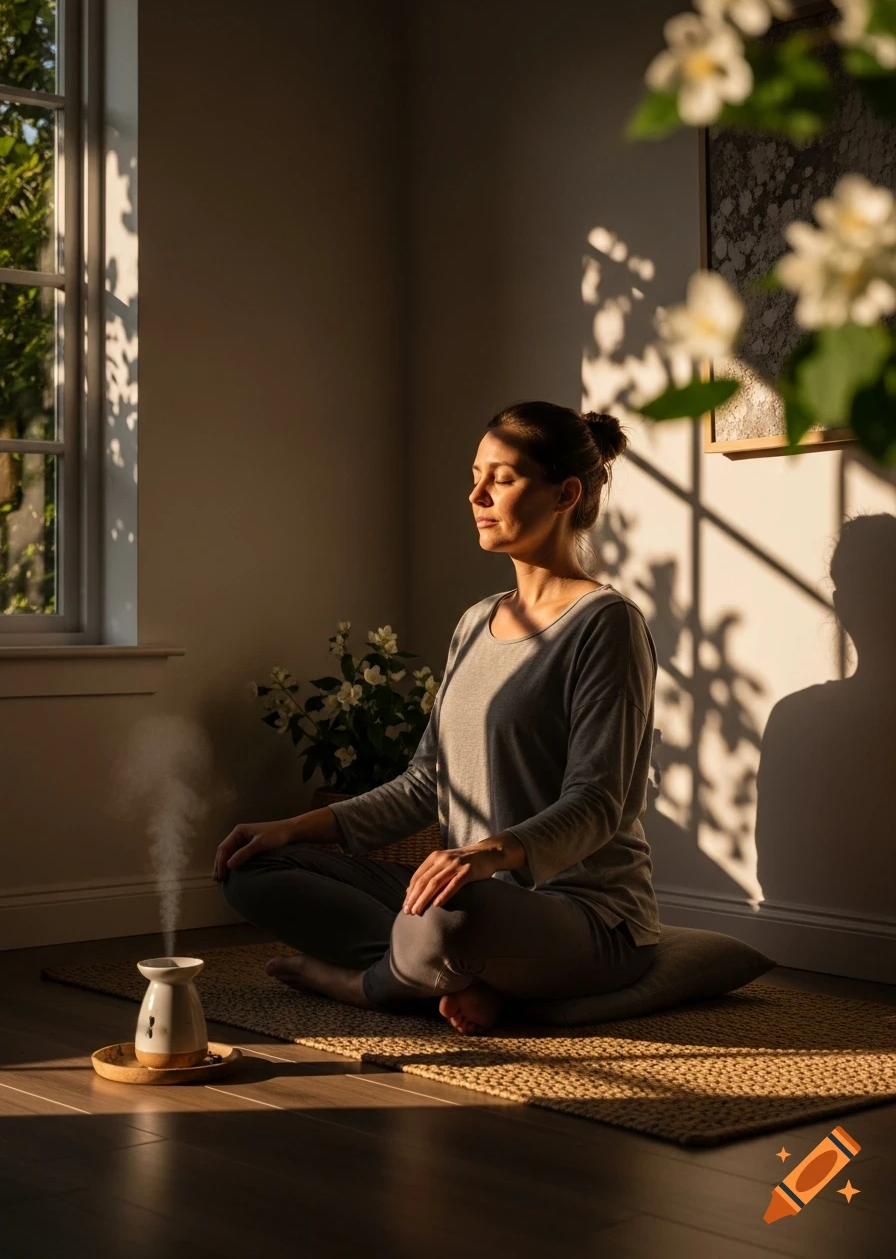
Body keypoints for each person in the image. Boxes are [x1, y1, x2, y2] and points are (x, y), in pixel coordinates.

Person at [215, 401, 662, 1036]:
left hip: (585, 914)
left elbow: (598, 802)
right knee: (251, 868)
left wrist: (483, 856)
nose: (476, 494)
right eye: (475, 475)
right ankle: (456, 978)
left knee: (450, 915)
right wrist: (292, 827)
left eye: (501, 479)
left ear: (566, 493)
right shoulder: (475, 622)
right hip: (471, 898)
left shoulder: (606, 624)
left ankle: (368, 984)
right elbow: (426, 782)